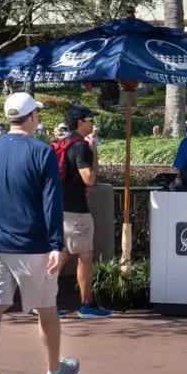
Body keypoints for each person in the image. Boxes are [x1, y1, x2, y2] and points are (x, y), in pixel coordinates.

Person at [0, 92, 79, 374]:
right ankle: (53, 371)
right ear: (32, 116)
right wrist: (56, 244)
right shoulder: (43, 152)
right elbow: (52, 200)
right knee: (46, 307)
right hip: (32, 243)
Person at [54, 104, 110, 319]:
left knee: (60, 257)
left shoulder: (64, 142)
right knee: (85, 258)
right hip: (77, 212)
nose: (92, 123)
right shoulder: (80, 146)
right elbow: (89, 179)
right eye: (89, 119)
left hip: (61, 209)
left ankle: (41, 300)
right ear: (79, 122)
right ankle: (86, 305)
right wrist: (94, 152)